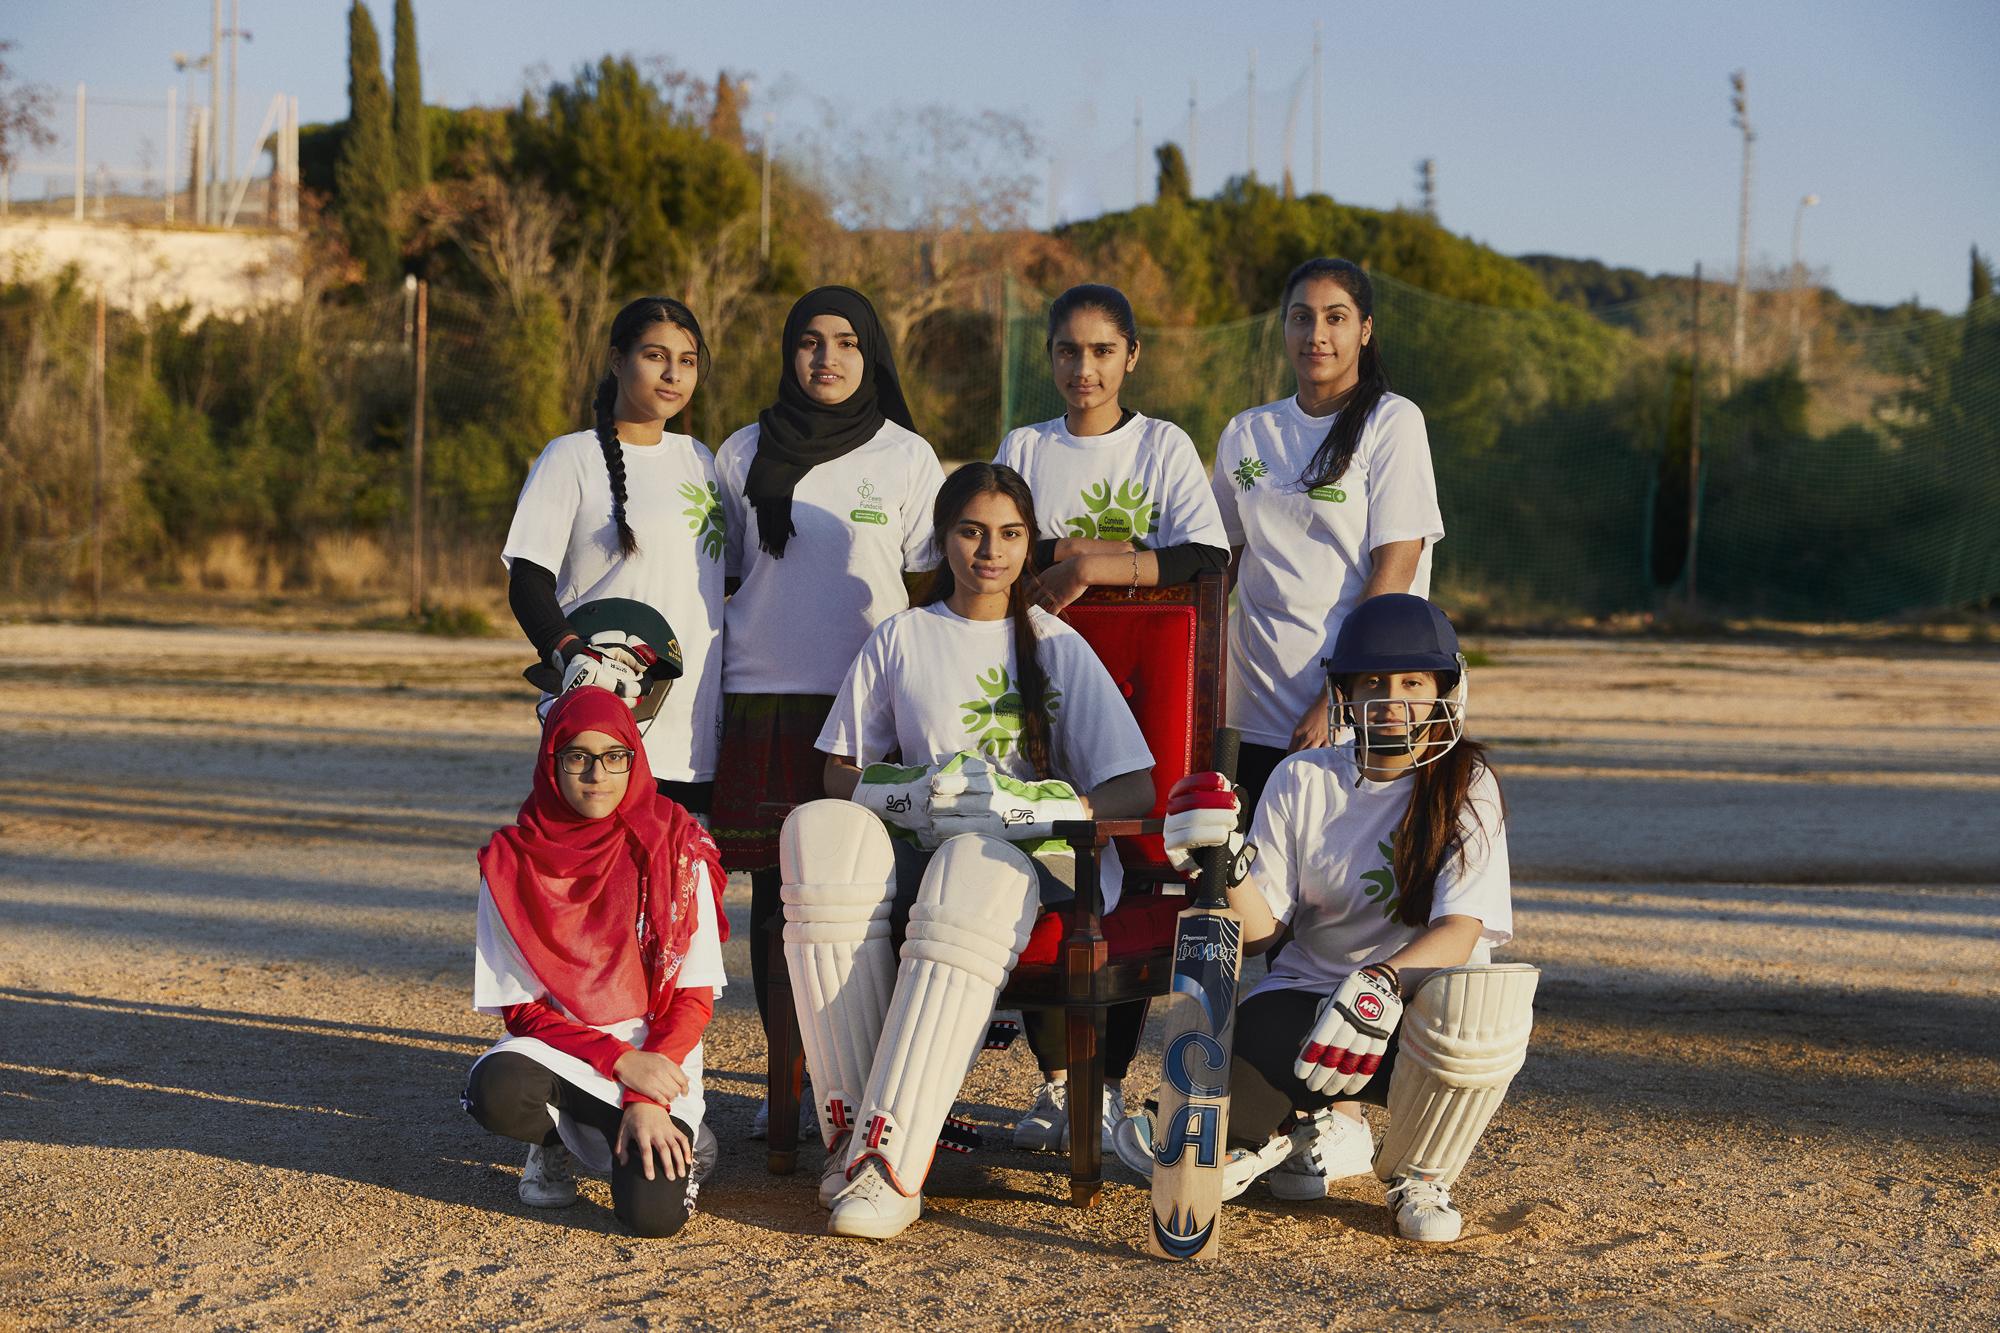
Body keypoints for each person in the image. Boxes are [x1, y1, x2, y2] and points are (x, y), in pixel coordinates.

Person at [783, 462, 1155, 1238]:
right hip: (926, 840)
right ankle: (851, 1138)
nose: (990, 550)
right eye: (972, 531)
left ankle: (891, 1162)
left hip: (1042, 856)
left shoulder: (1058, 645)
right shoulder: (904, 634)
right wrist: (903, 792)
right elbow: (838, 768)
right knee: (816, 834)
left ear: (1030, 544)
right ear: (944, 538)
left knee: (967, 866)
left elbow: (1136, 788)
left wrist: (1040, 803)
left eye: (1010, 534)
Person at [1115, 594, 1536, 1244]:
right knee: (1187, 1140)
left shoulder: (1466, 781)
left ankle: (1419, 1173)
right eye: (1372, 681)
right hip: (1307, 1008)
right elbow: (1262, 932)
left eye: (1412, 682)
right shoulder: (1301, 777)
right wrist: (1222, 861)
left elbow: (1462, 930)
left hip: (1417, 1006)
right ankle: (1294, 1126)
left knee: (1483, 1006)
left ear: (1445, 690)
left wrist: (1383, 982)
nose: (1391, 699)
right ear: (1342, 690)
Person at [991, 282, 1231, 1153]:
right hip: (1043, 686)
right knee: (1048, 856)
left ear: (1132, 355)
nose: (1082, 368)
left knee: (1128, 860)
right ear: (1049, 357)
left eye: (1101, 350)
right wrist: (1057, 559)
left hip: (1139, 691)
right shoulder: (1025, 443)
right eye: (1066, 350)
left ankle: (1109, 1086)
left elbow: (1204, 556)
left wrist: (1091, 565)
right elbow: (995, 535)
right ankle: (1060, 1087)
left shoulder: (1161, 445)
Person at [709, 286, 945, 1139]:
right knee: (778, 899)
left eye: (846, 341)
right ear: (789, 353)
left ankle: (863, 1080)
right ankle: (793, 1088)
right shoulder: (741, 452)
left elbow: (928, 585)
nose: (827, 358)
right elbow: (727, 574)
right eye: (809, 342)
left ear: (872, 351)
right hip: (765, 696)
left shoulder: (909, 456)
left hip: (869, 707)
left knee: (872, 896)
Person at [462, 687, 729, 1238]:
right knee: (497, 1089)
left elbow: (692, 998)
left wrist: (643, 1093)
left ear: (635, 759)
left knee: (651, 1219)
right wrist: (616, 1062)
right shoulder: (511, 863)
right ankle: (551, 1141)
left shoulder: (677, 847)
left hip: (658, 1052)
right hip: (561, 1050)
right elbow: (523, 1013)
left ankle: (688, 1143)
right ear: (551, 763)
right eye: (577, 757)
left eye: (614, 757)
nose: (596, 775)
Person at [1211, 258, 1444, 815]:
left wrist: (1336, 695)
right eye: (1301, 317)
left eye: (1335, 318)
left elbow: (1396, 572)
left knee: (1342, 889)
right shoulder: (1247, 431)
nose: (1316, 335)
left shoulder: (1392, 422)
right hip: (1251, 714)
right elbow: (1218, 565)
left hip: (1347, 714)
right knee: (1247, 886)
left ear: (1364, 330)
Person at [502, 297, 724, 814]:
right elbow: (528, 578)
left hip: (694, 730)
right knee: (602, 888)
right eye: (655, 356)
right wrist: (570, 653)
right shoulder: (572, 456)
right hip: (606, 720)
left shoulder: (704, 461)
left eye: (687, 361)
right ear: (617, 360)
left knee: (677, 891)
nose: (672, 374)